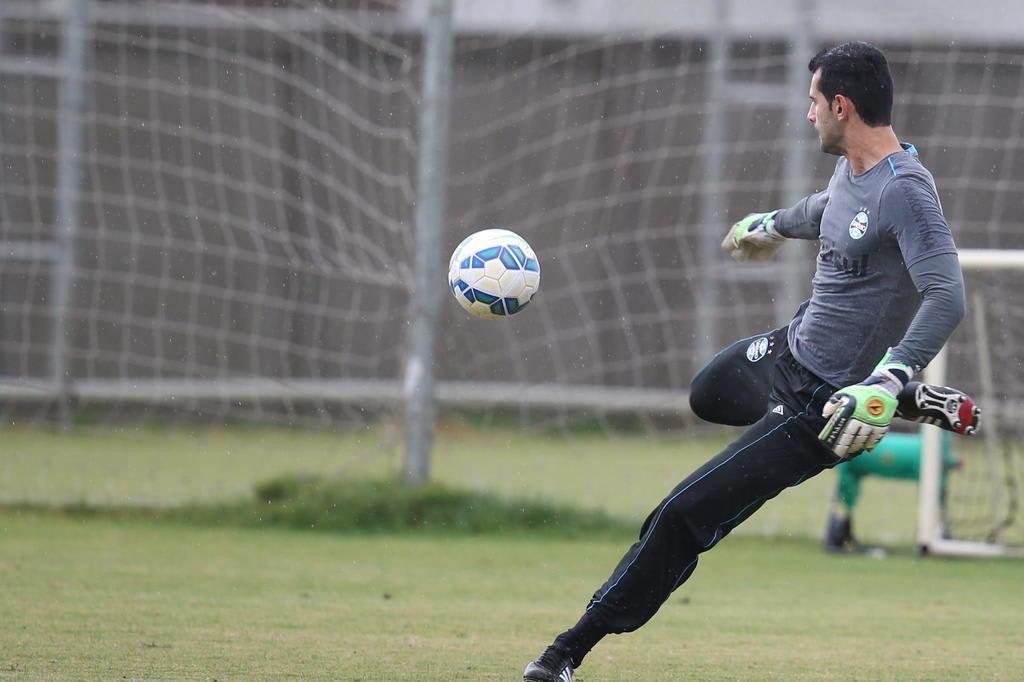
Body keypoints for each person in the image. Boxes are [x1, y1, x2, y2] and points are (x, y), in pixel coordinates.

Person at [523, 41, 974, 681]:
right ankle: (901, 400)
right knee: (708, 393)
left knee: (682, 515)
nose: (806, 114)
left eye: (813, 101)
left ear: (841, 105)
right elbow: (827, 213)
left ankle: (566, 652)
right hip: (789, 350)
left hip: (817, 409)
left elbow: (947, 294)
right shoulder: (853, 169)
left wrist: (891, 373)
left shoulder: (908, 192)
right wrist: (771, 223)